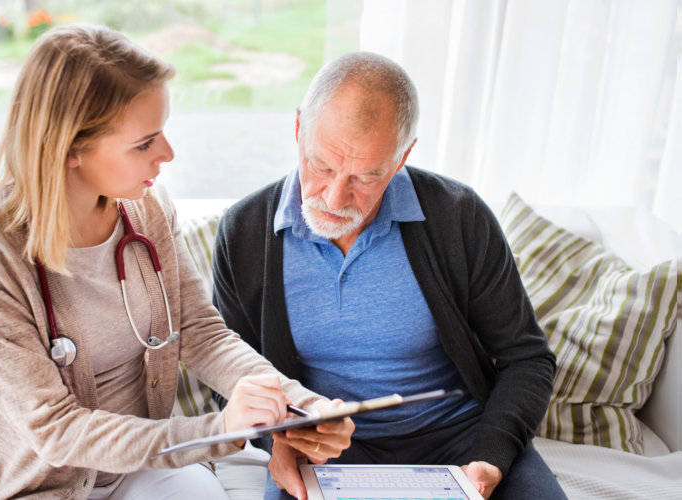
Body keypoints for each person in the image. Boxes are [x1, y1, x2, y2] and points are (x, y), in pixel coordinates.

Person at [0, 24, 354, 499]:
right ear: (70, 148)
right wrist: (215, 429)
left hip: (142, 468)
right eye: (144, 143)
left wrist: (303, 406)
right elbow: (55, 431)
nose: (167, 154)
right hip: (37, 487)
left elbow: (200, 333)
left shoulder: (145, 208)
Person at [211, 52, 569, 500]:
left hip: (461, 442)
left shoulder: (458, 217)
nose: (335, 197)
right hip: (324, 452)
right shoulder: (244, 232)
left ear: (403, 157)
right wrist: (277, 441)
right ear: (299, 128)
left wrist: (491, 457)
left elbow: (527, 358)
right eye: (321, 165)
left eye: (366, 176)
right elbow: (230, 380)